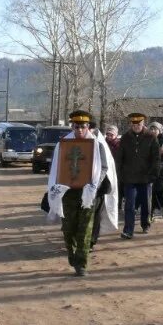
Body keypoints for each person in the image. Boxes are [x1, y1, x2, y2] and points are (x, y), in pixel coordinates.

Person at [46, 110, 117, 276]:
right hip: (68, 193)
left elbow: (104, 167)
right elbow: (57, 167)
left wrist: (94, 185)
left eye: (83, 126)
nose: (79, 130)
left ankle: (81, 264)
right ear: (72, 126)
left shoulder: (96, 145)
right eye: (76, 126)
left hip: (88, 194)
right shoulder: (63, 144)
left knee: (85, 229)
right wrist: (57, 187)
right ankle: (72, 255)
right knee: (68, 229)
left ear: (88, 127)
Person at [115, 112, 158, 239]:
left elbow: (156, 158)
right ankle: (128, 230)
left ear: (143, 123)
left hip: (145, 177)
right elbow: (119, 158)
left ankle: (145, 223)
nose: (136, 127)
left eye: (138, 124)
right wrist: (119, 174)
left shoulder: (151, 137)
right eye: (133, 124)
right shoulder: (125, 138)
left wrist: (153, 173)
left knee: (145, 204)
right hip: (129, 177)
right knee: (129, 205)